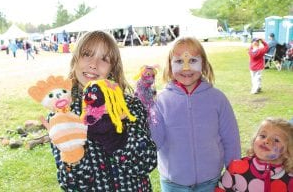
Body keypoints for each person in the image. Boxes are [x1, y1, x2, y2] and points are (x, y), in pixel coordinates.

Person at [49, 31, 157, 191]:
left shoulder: (130, 105)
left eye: (104, 59)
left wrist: (116, 139)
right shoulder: (62, 114)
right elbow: (71, 185)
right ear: (75, 60)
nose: (93, 64)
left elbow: (147, 162)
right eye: (87, 54)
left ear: (113, 68)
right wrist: (73, 155)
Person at [149, 36, 241, 192]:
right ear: (170, 66)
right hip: (173, 183)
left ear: (203, 64)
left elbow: (231, 139)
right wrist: (147, 108)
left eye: (193, 61)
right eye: (179, 61)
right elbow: (154, 141)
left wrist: (234, 172)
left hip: (211, 181)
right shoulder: (161, 101)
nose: (186, 68)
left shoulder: (217, 99)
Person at [215, 117, 293, 192]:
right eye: (263, 136)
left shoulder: (290, 177)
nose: (266, 141)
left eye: (276, 140)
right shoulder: (236, 167)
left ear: (287, 150)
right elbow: (221, 189)